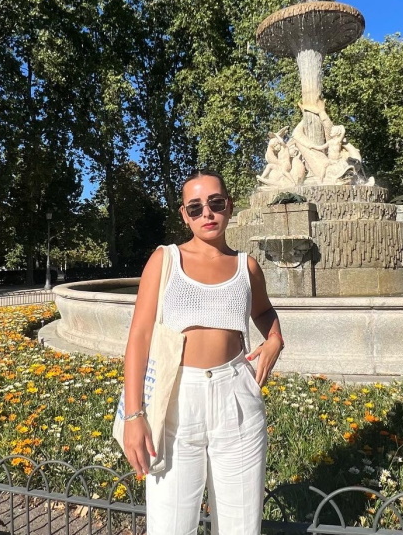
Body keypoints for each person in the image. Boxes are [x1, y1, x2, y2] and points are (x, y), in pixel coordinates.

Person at [121, 169, 284, 535]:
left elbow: (263, 311)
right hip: (177, 398)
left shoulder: (247, 266)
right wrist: (134, 416)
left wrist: (275, 338)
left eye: (215, 203)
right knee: (169, 526)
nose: (206, 214)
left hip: (237, 397)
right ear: (184, 214)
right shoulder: (165, 260)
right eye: (195, 208)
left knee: (242, 527)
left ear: (229, 205)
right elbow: (138, 338)